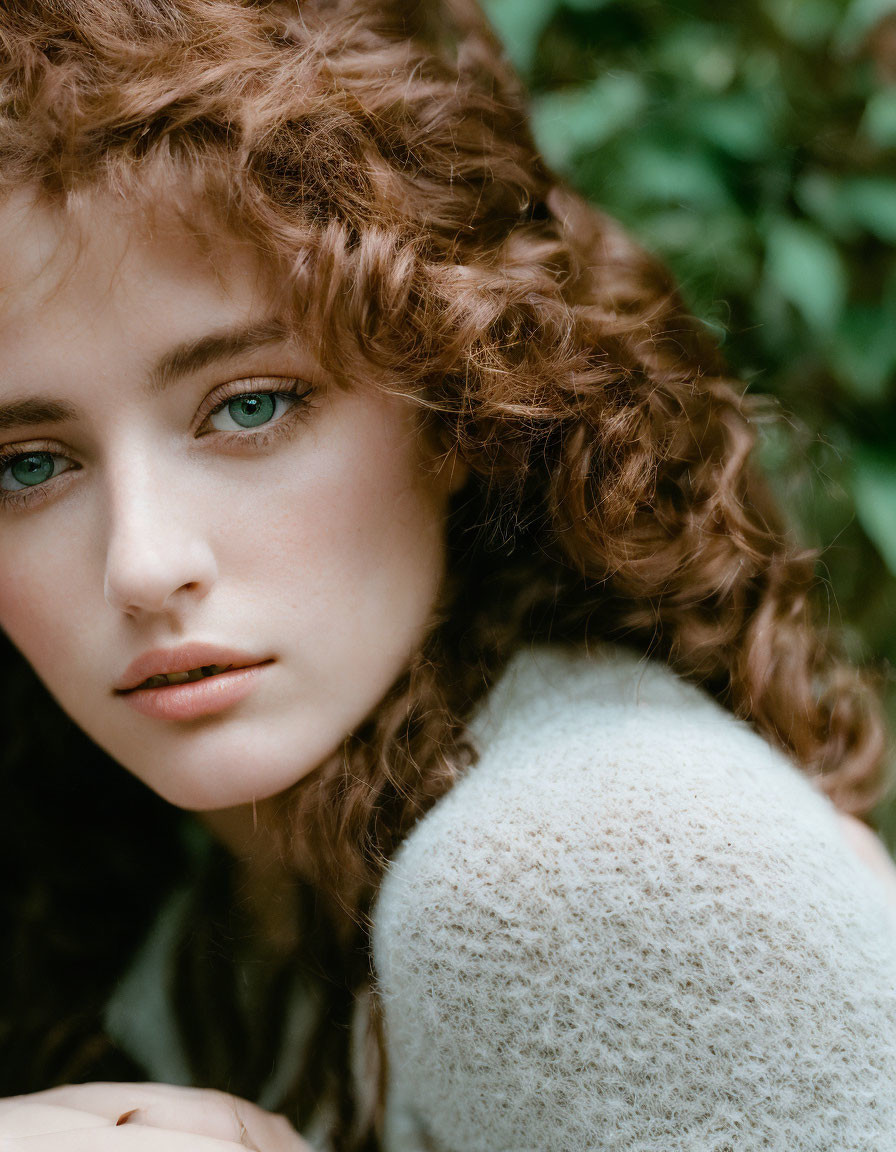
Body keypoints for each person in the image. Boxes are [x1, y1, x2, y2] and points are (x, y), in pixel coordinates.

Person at [1, 0, 896, 1149]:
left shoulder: (565, 874)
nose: (145, 563)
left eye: (250, 406)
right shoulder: (205, 910)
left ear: (457, 405)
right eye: (28, 463)